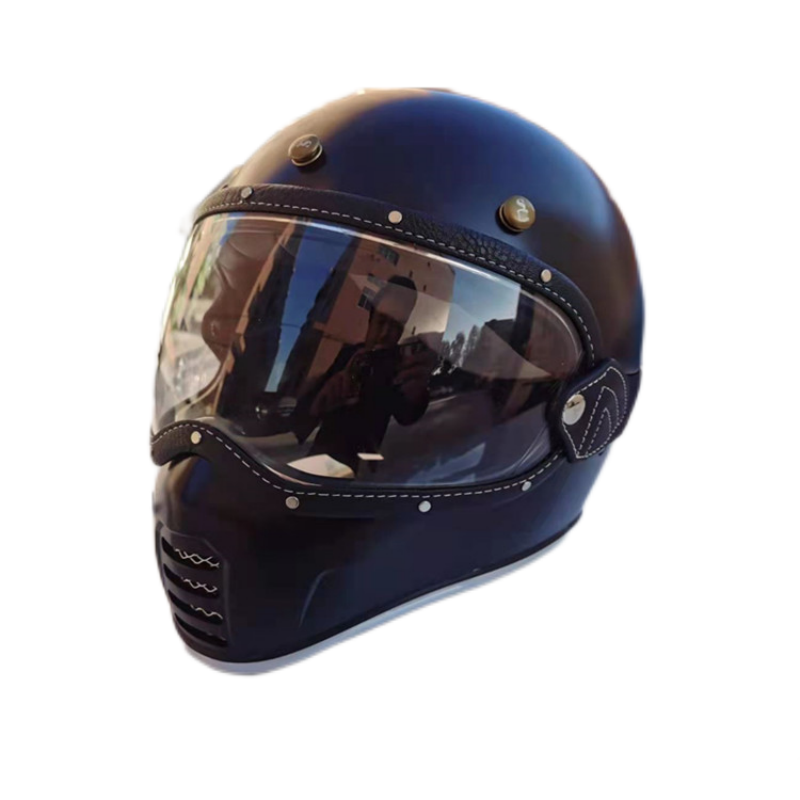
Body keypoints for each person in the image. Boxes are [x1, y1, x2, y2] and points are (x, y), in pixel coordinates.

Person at [293, 276, 436, 475]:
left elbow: (407, 414)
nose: (385, 333)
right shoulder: (349, 355)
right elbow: (304, 416)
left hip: (361, 469)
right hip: (320, 456)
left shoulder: (398, 366)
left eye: (396, 325)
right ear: (370, 320)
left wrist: (418, 392)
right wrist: (321, 400)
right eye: (382, 321)